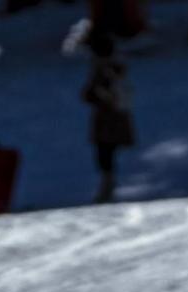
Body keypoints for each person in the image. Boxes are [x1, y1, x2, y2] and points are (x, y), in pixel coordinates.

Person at [81, 34, 135, 204]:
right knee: (105, 152)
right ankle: (107, 184)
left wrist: (95, 93)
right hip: (114, 117)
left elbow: (92, 94)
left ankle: (107, 186)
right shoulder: (115, 69)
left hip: (108, 119)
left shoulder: (104, 70)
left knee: (105, 152)